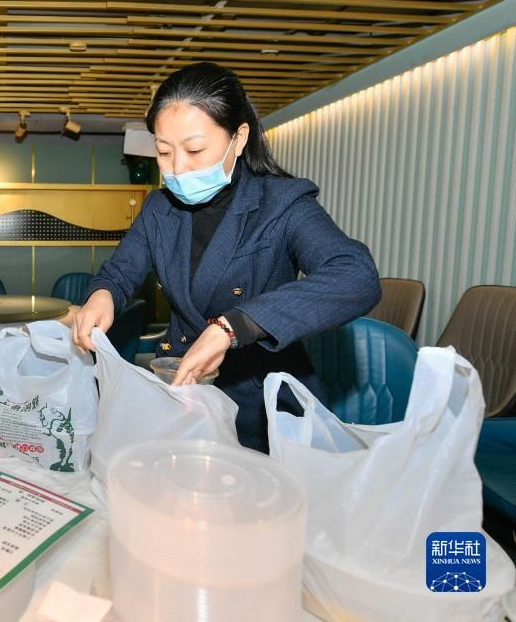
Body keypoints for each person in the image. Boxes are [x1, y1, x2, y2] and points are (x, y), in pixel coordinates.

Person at [71, 62, 381, 453]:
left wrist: (234, 327)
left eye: (195, 150)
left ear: (238, 138)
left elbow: (356, 275)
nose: (177, 169)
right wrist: (102, 294)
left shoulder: (282, 204)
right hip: (184, 396)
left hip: (262, 410)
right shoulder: (159, 209)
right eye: (164, 153)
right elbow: (120, 273)